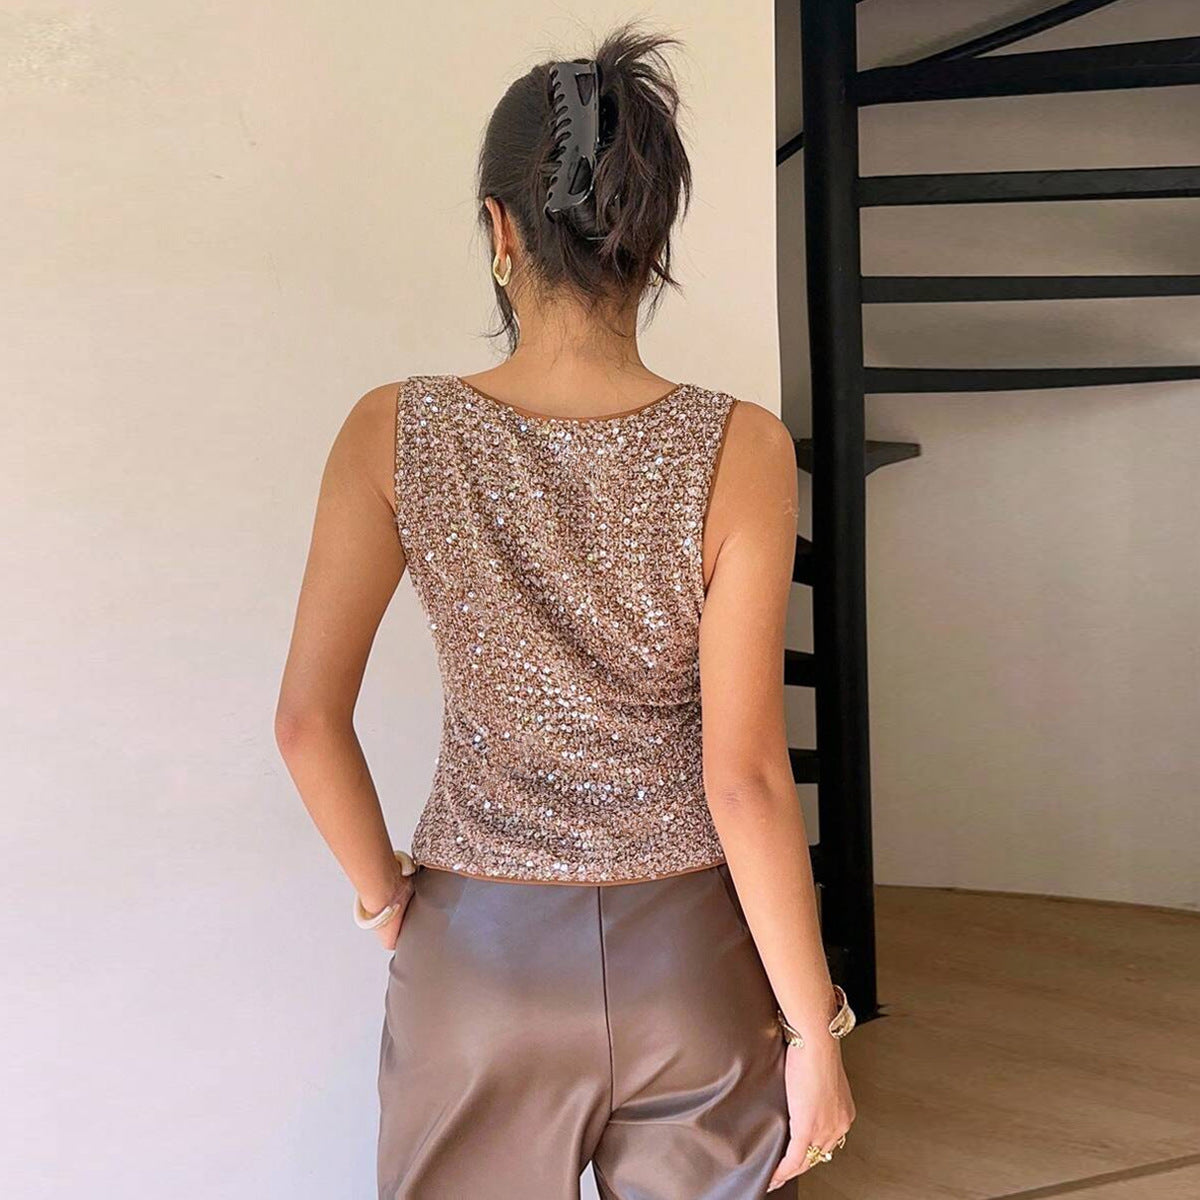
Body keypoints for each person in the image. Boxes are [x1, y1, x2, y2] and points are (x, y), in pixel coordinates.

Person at [275, 20, 855, 1200]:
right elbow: (744, 776)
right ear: (653, 239)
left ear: (499, 229)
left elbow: (305, 723)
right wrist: (816, 1032)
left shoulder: (394, 430)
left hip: (474, 962)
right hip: (691, 963)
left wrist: (388, 903)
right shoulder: (743, 447)